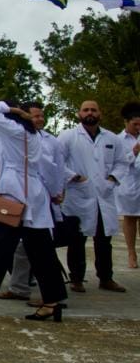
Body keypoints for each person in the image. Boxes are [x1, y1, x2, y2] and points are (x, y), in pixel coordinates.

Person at [0, 101, 67, 323]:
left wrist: (13, 110)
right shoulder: (36, 138)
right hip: (34, 199)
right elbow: (51, 168)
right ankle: (52, 302)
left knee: (1, 249)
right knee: (41, 253)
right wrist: (55, 192)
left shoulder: (14, 132)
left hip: (15, 198)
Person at [0, 102, 69, 303]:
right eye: (34, 116)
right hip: (15, 199)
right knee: (21, 249)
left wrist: (57, 192)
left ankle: (51, 296)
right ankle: (19, 288)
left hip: (39, 201)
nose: (39, 119)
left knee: (39, 250)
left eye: (41, 116)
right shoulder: (9, 136)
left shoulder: (50, 142)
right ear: (24, 117)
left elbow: (56, 170)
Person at [58, 100, 131, 293]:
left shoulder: (111, 138)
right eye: (86, 110)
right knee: (77, 239)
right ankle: (77, 279)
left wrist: (112, 178)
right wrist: (74, 176)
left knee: (104, 239)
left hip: (104, 195)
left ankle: (106, 278)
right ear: (79, 113)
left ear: (100, 113)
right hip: (79, 195)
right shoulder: (68, 136)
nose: (90, 112)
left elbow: (122, 162)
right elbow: (56, 161)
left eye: (94, 110)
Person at [116, 101, 140, 269]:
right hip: (129, 184)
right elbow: (119, 163)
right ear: (126, 122)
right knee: (130, 217)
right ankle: (131, 252)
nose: (138, 127)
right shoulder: (118, 140)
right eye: (135, 124)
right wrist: (134, 151)